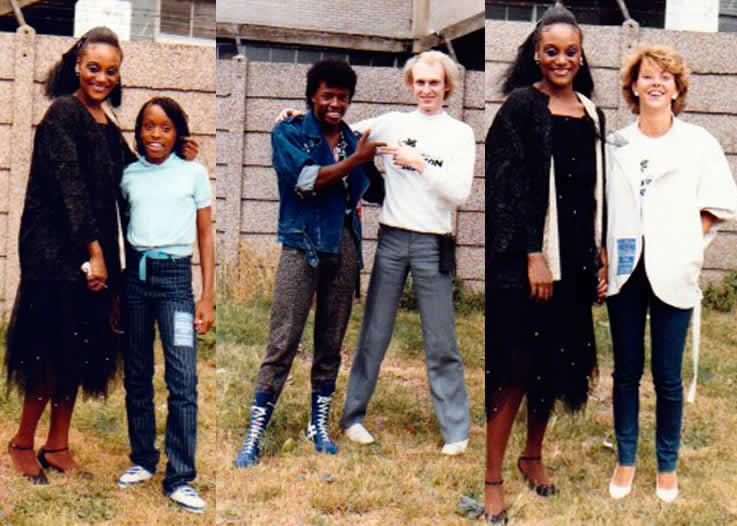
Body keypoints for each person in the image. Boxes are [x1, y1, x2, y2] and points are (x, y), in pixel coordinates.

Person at [484, 6, 607, 524]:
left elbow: (600, 188)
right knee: (515, 366)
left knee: (555, 365)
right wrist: (533, 253)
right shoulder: (519, 107)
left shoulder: (591, 111)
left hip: (578, 257)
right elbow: (506, 189)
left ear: (581, 56)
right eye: (551, 50)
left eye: (570, 51)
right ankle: (491, 479)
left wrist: (602, 251)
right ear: (536, 53)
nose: (561, 59)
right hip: (530, 261)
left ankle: (532, 456)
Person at [233, 60, 385, 467]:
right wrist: (356, 160)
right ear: (312, 96)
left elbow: (376, 191)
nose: (335, 103)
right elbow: (305, 181)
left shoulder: (355, 138)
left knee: (331, 341)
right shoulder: (290, 131)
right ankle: (256, 431)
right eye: (327, 95)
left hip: (345, 246)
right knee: (283, 339)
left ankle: (317, 424)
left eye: (343, 97)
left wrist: (395, 156)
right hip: (302, 245)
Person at [605, 46, 737, 503]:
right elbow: (604, 210)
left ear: (678, 88)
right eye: (647, 76)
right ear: (634, 86)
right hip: (626, 271)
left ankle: (666, 465)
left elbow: (718, 203)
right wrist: (604, 261)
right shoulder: (617, 144)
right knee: (625, 370)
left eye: (666, 77)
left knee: (667, 375)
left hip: (673, 270)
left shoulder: (698, 142)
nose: (656, 83)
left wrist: (685, 240)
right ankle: (625, 460)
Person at [5, 27, 136, 484]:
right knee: (47, 348)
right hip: (55, 252)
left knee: (78, 351)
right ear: (77, 66)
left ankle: (57, 445)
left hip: (92, 250)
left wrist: (177, 149)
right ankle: (22, 442)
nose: (102, 77)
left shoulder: (105, 120)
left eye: (111, 71)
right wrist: (95, 254)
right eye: (94, 68)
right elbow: (71, 191)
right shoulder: (63, 112)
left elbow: (132, 171)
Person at [337, 50, 474, 455]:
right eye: (420, 82)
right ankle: (353, 418)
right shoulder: (393, 123)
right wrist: (294, 118)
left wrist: (420, 164)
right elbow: (339, 130)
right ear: (410, 85)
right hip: (392, 240)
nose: (427, 89)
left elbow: (460, 194)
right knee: (374, 333)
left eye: (434, 82)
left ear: (446, 86)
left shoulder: (459, 133)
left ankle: (455, 430)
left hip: (433, 243)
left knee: (441, 340)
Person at [114, 97, 214, 513]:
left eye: (165, 128)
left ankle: (180, 476)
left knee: (182, 378)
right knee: (137, 372)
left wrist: (207, 296)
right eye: (149, 127)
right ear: (139, 132)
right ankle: (143, 459)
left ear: (179, 132)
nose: (156, 135)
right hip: (135, 280)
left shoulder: (193, 172)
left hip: (175, 283)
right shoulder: (128, 175)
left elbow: (206, 235)